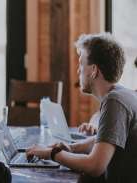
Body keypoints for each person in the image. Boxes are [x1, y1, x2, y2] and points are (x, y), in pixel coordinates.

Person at [26, 33, 137, 183]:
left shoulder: (115, 101)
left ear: (94, 70)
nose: (78, 70)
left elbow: (95, 166)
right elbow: (105, 140)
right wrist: (72, 148)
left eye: (81, 63)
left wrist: (51, 153)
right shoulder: (125, 94)